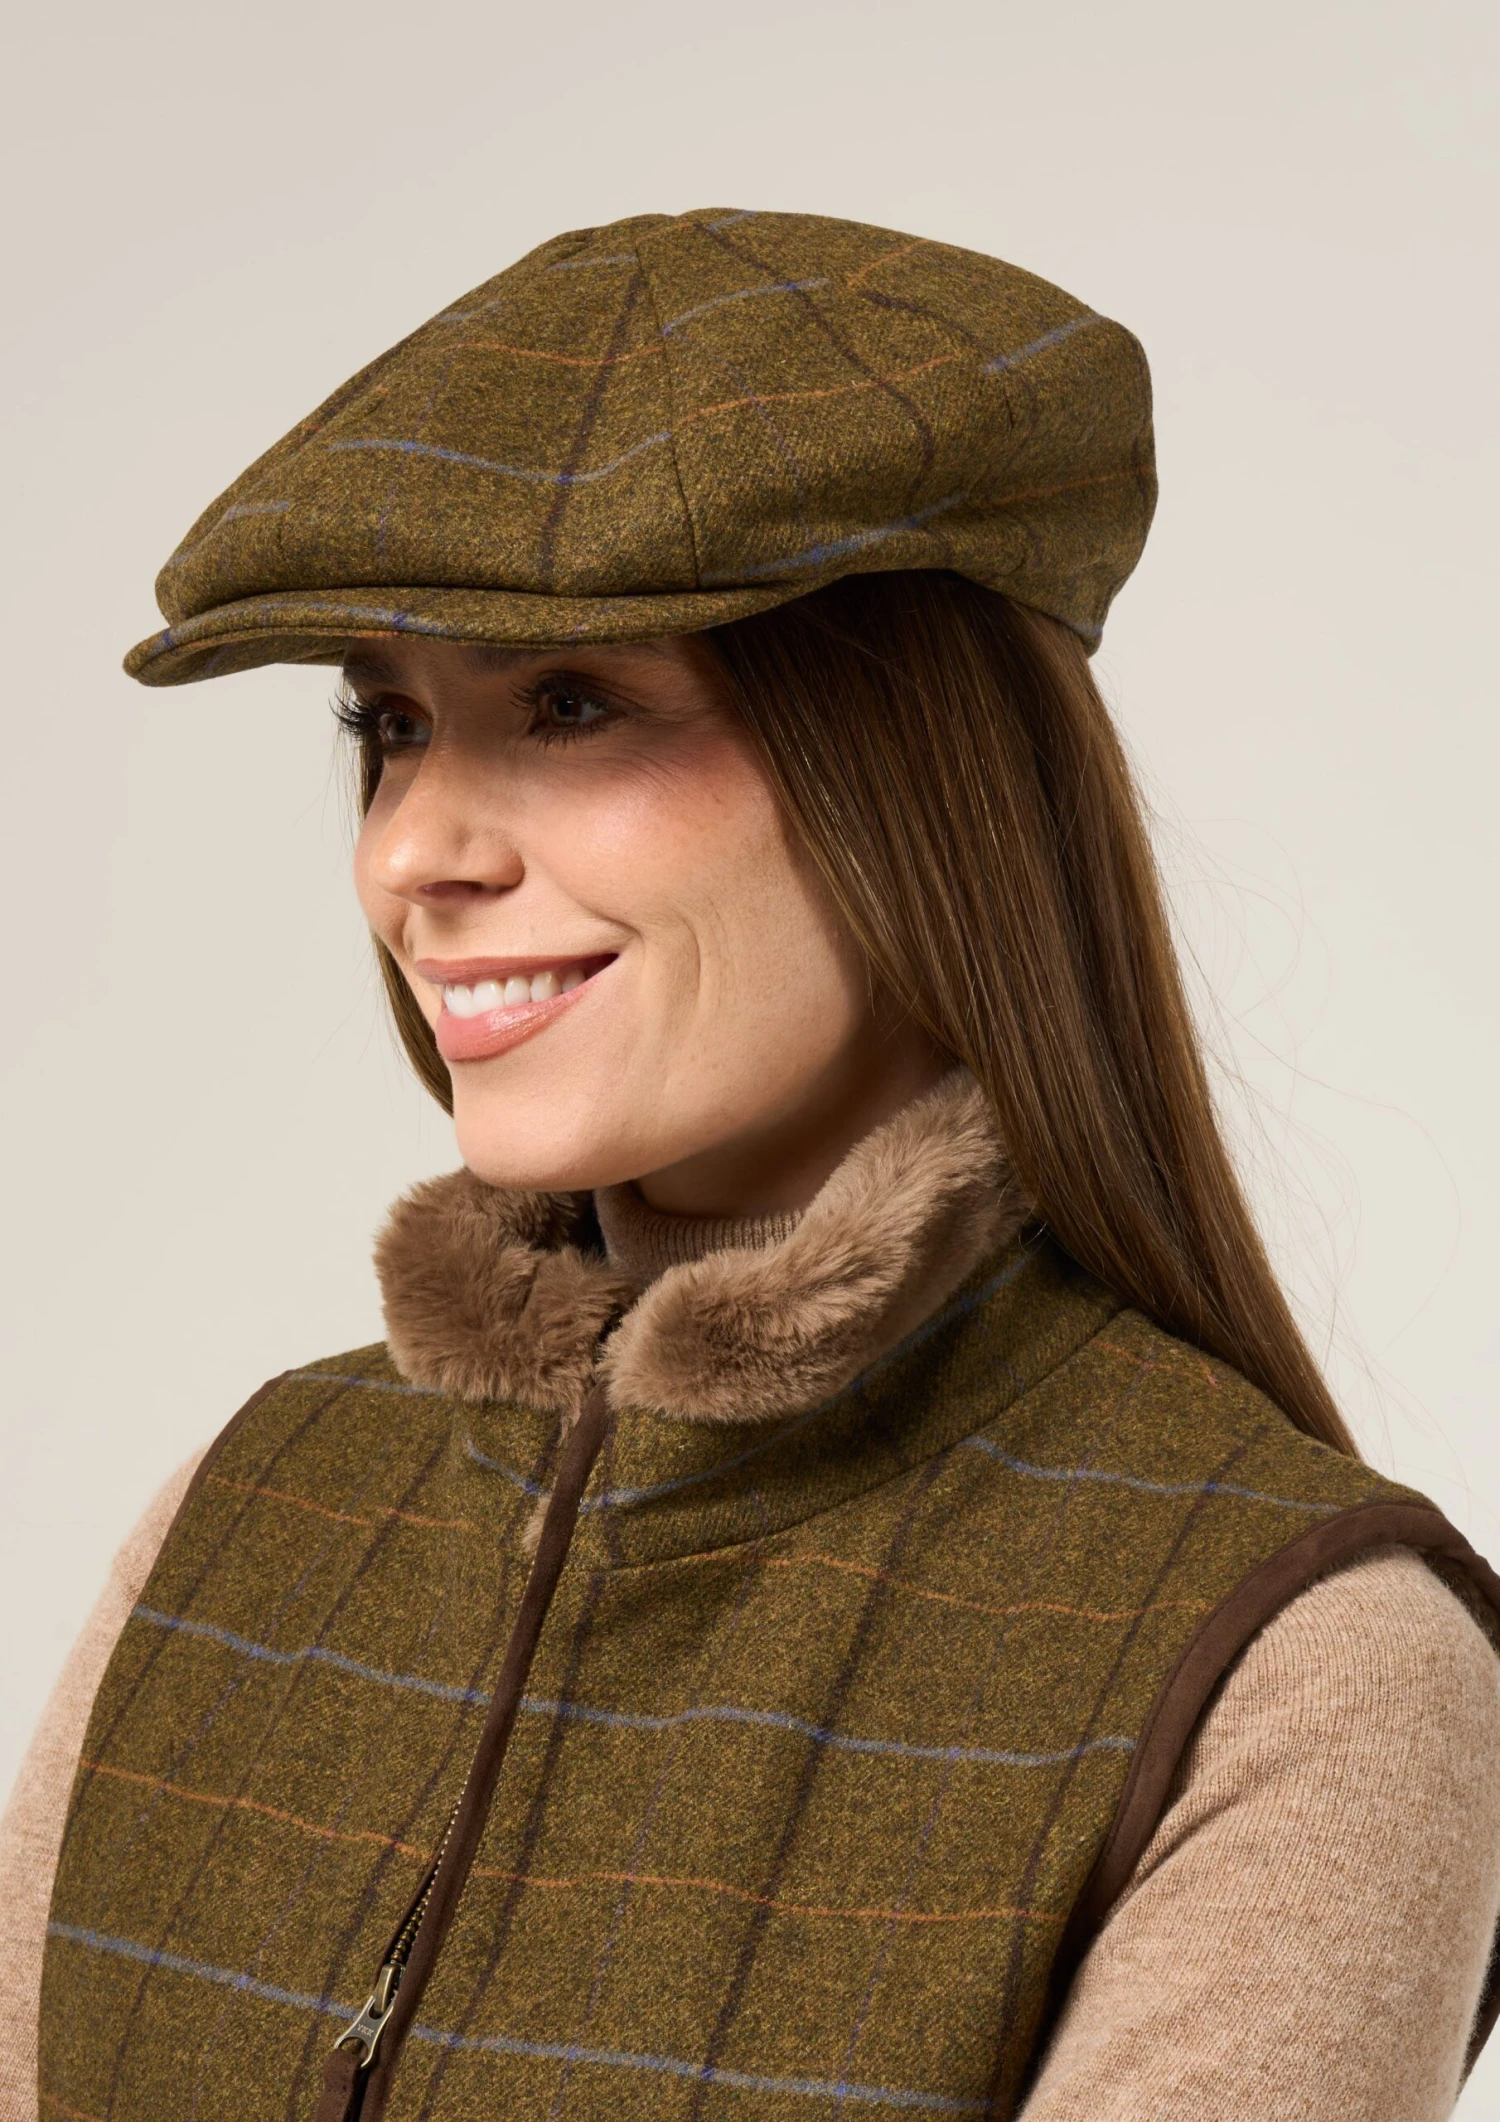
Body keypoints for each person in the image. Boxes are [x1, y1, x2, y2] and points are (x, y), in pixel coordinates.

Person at [4, 208, 1498, 2122]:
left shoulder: (1298, 1671)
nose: (409, 851)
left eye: (571, 704)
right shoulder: (247, 1514)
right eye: (392, 725)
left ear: (917, 771)